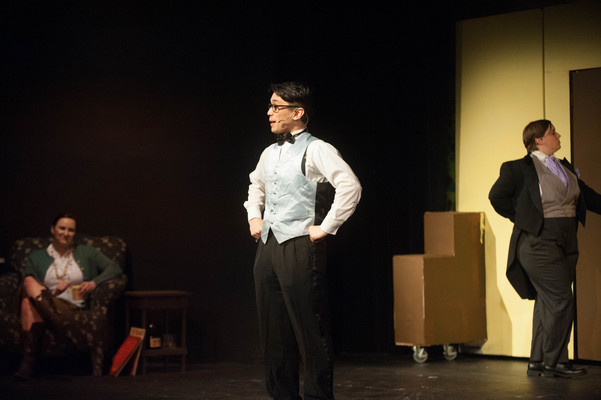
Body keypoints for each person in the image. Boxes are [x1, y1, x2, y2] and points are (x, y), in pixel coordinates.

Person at [244, 82, 362, 399]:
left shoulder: (317, 149)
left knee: (310, 329)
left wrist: (326, 227)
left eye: (276, 106)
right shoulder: (269, 152)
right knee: (273, 331)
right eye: (270, 106)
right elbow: (256, 186)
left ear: (297, 112)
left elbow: (350, 186)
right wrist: (254, 216)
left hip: (299, 245)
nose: (269, 112)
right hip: (268, 246)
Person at [489, 120, 601, 378]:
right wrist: (526, 219)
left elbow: (588, 197)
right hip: (539, 241)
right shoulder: (519, 168)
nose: (558, 134)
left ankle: (539, 360)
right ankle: (556, 362)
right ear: (538, 140)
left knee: (547, 300)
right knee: (561, 300)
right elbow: (496, 197)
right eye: (552, 132)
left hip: (566, 239)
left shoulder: (564, 168)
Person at [14, 212, 123, 380]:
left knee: (27, 305)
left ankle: (27, 364)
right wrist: (53, 293)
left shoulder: (86, 252)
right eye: (62, 228)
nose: (66, 233)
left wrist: (94, 283)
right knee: (28, 281)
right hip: (48, 299)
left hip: (70, 305)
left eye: (71, 230)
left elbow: (114, 268)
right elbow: (29, 285)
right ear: (53, 229)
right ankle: (54, 320)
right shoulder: (36, 256)